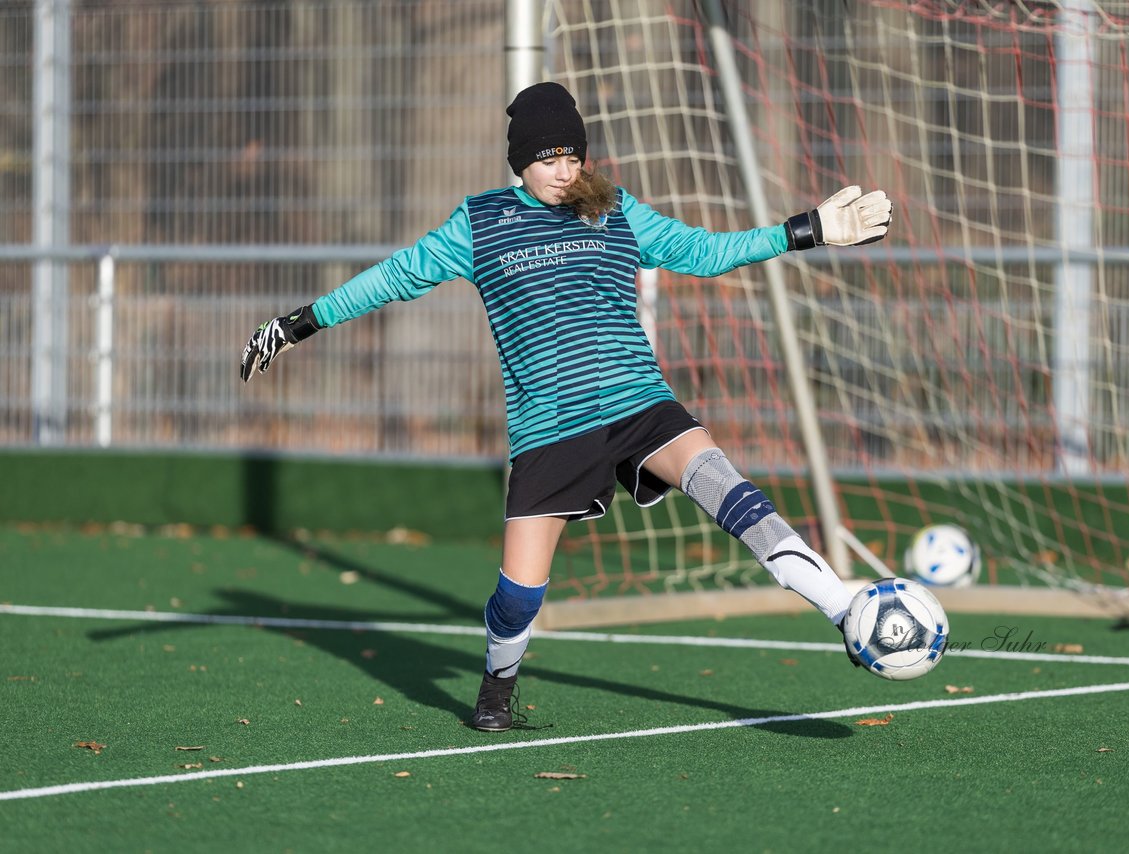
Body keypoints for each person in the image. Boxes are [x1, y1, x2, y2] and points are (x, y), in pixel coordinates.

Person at [240, 82, 893, 732]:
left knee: (736, 496)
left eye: (572, 157)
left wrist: (806, 230)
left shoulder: (614, 208)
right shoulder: (478, 223)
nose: (563, 171)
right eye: (547, 159)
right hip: (550, 429)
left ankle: (846, 612)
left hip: (640, 404)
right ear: (519, 162)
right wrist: (298, 323)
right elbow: (392, 278)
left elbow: (704, 252)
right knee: (518, 597)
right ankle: (496, 690)